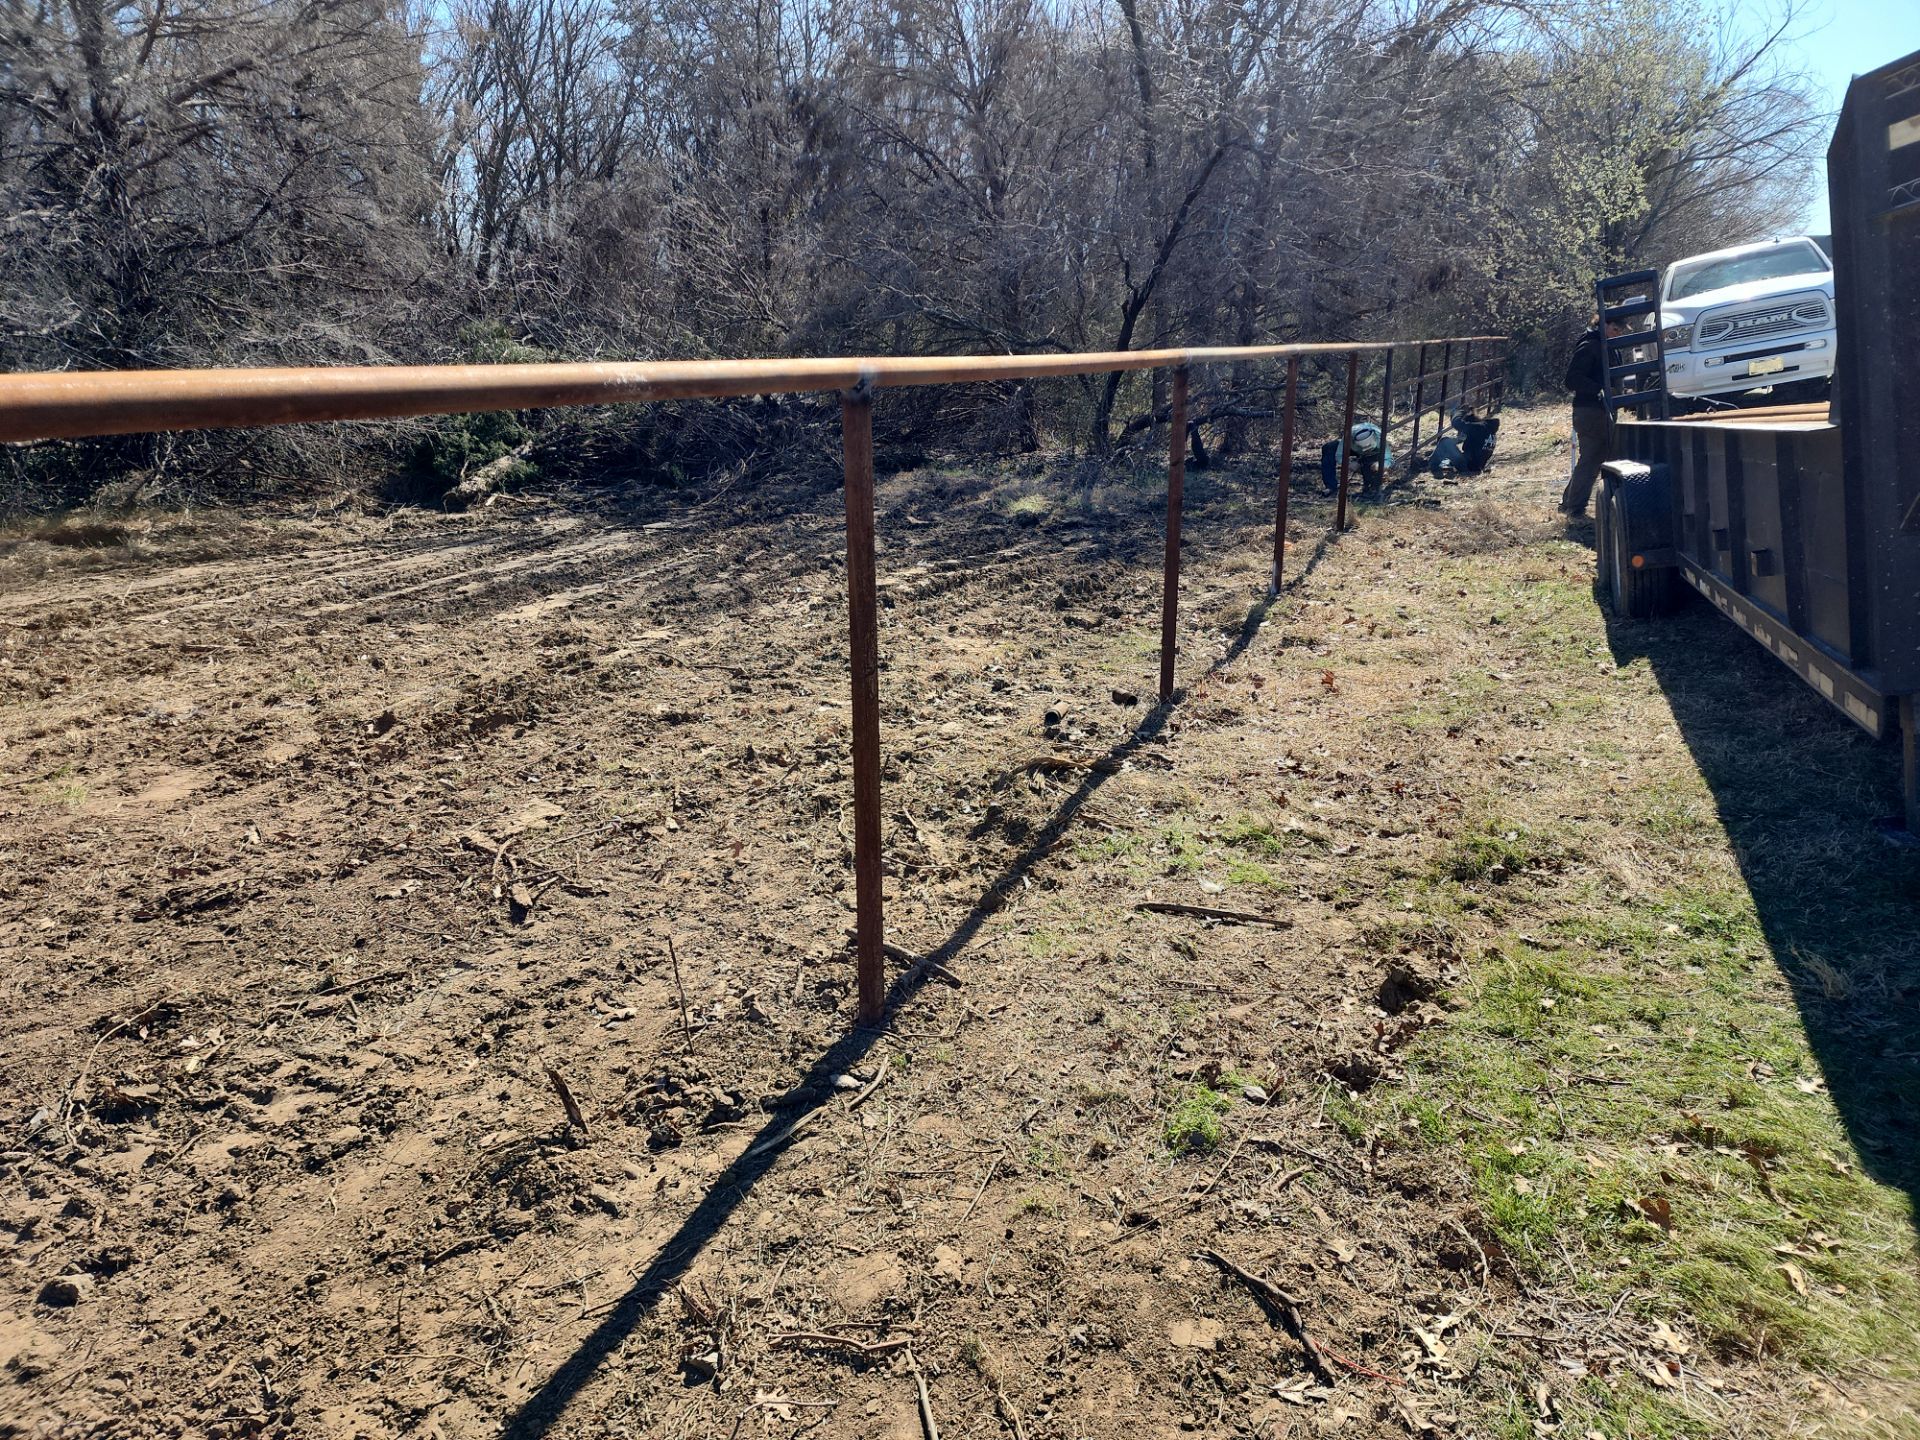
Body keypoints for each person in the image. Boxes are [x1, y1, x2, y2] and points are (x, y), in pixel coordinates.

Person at [1561, 315, 1622, 517]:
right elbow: (1572, 379)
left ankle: (1570, 502)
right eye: (1615, 327)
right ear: (1603, 325)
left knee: (1593, 457)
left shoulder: (1609, 347)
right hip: (1590, 411)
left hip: (1599, 410)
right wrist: (1599, 389)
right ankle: (1575, 507)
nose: (1618, 332)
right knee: (1592, 458)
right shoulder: (1590, 346)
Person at [1319, 421, 1392, 497]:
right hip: (1353, 449)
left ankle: (1372, 486)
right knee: (1329, 447)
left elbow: (1389, 459)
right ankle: (1330, 486)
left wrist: (1380, 465)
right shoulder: (1349, 435)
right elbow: (1339, 455)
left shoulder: (1380, 437)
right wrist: (1349, 464)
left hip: (1374, 453)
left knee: (1371, 466)